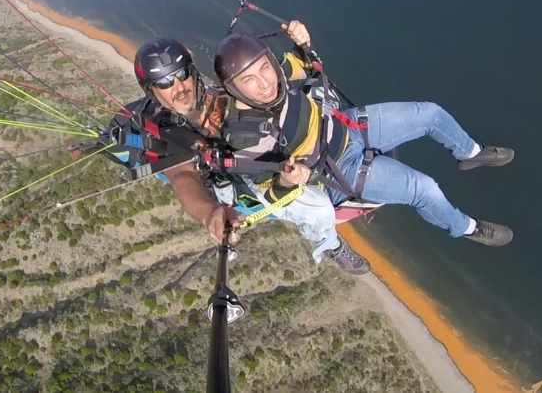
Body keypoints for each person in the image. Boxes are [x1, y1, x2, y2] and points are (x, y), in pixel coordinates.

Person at [212, 22, 515, 247]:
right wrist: (287, 181)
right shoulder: (245, 137)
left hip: (348, 125)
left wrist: (302, 42)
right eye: (249, 80)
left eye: (265, 68)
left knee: (431, 114)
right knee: (425, 190)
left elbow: (306, 64)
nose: (265, 83)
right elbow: (268, 196)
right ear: (235, 89)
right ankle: (466, 228)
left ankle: (471, 153)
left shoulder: (279, 76)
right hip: (337, 168)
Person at [119, 37, 370, 273]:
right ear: (151, 90)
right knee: (318, 208)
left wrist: (300, 51)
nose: (179, 87)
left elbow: (271, 85)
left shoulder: (217, 95)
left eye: (182, 74)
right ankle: (330, 244)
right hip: (238, 180)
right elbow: (184, 179)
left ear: (192, 72)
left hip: (260, 154)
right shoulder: (169, 134)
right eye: (164, 83)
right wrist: (210, 213)